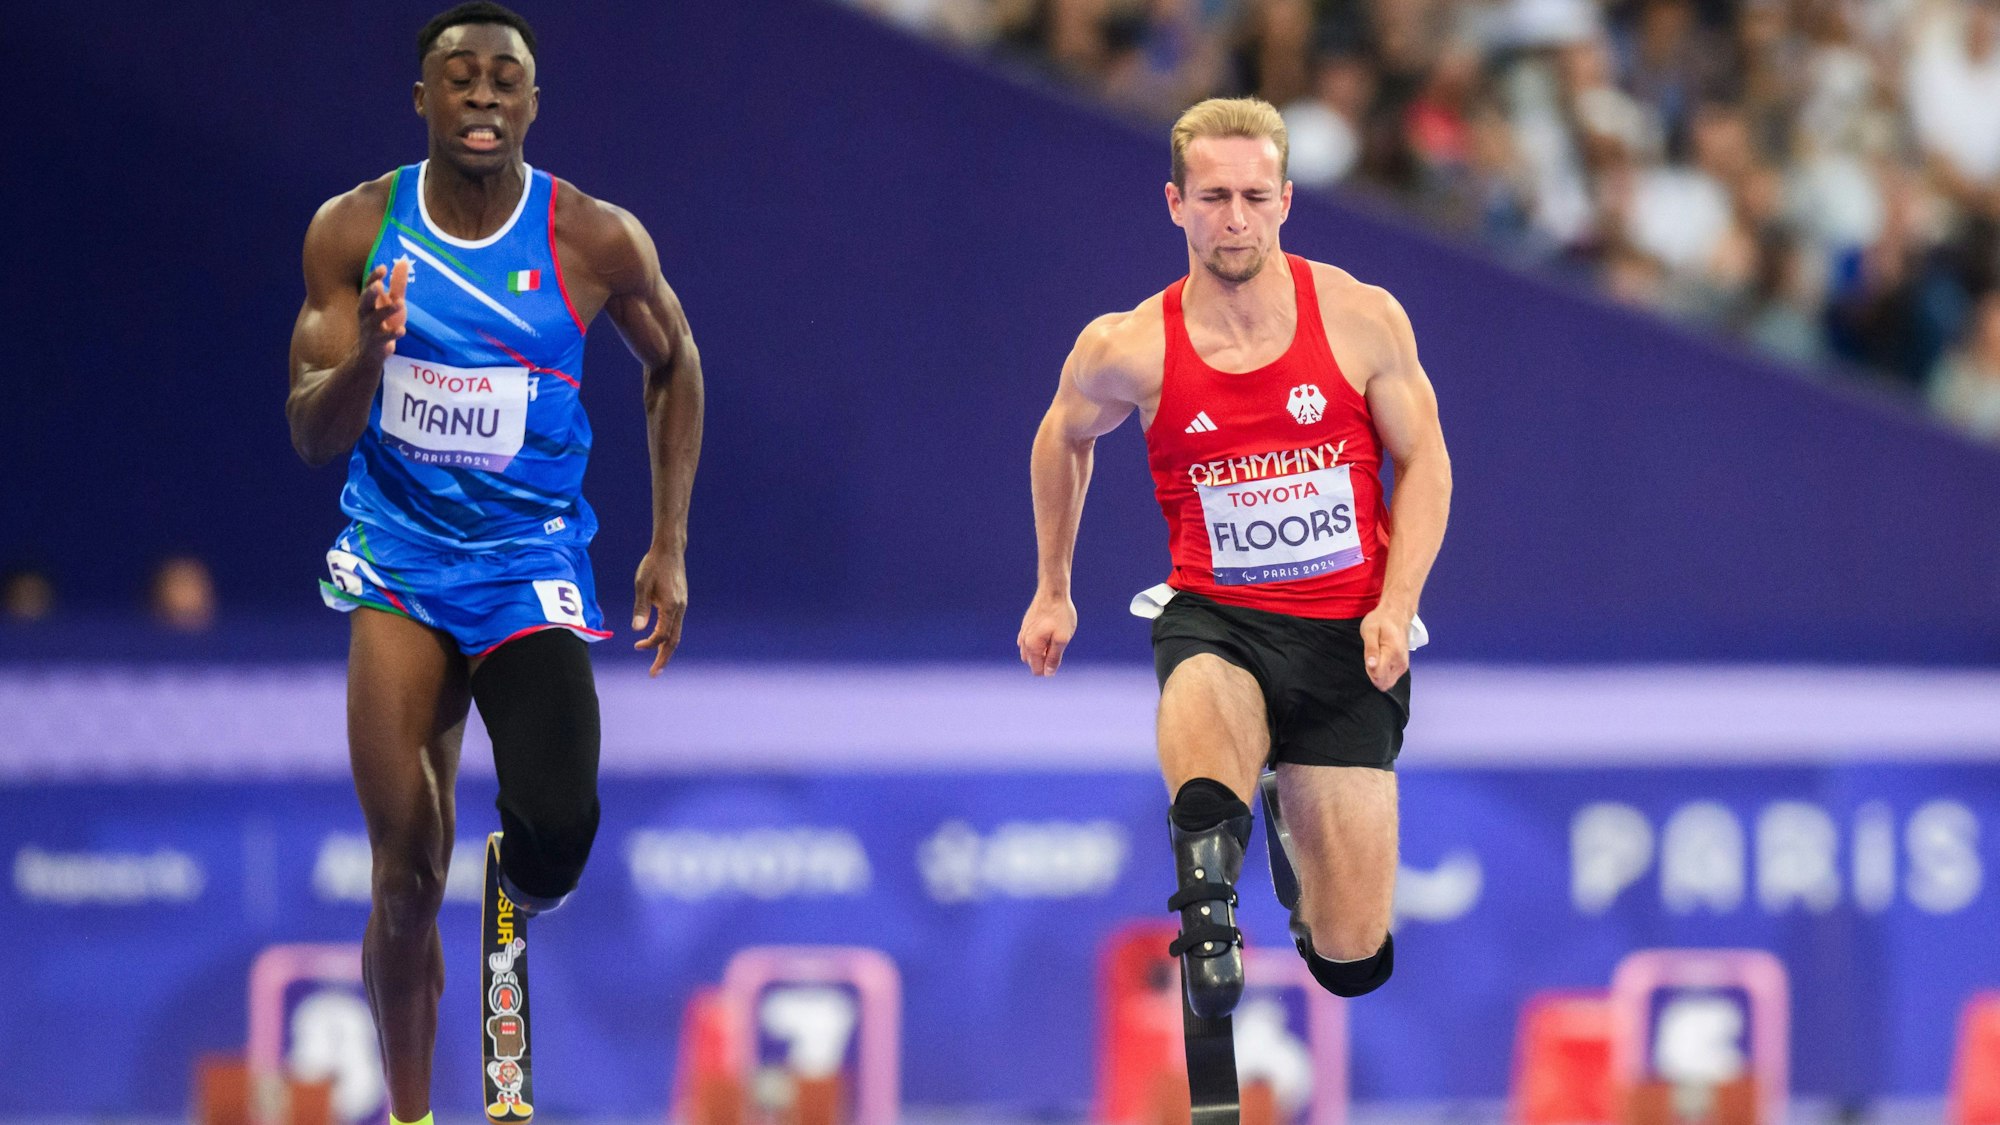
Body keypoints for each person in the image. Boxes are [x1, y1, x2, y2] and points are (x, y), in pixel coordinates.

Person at [284, 5, 703, 1123]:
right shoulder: (353, 229)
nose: (481, 95)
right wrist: (371, 355)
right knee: (405, 875)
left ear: (531, 103)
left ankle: (514, 887)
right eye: (458, 77)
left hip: (526, 562)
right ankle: (416, 1116)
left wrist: (666, 544)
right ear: (422, 98)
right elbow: (312, 432)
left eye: (502, 79)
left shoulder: (593, 239)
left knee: (557, 836)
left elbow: (676, 362)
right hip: (400, 564)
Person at [1017, 97, 1450, 1014]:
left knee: (1351, 959)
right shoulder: (1129, 345)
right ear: (1176, 203)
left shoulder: (1362, 318)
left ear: (1286, 199)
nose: (1236, 218)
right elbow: (1062, 436)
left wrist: (1396, 601)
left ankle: (1290, 813)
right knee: (1207, 795)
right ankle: (1209, 902)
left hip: (1346, 636)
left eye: (1255, 196)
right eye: (1214, 197)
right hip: (1218, 618)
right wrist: (1053, 588)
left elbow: (1427, 464)